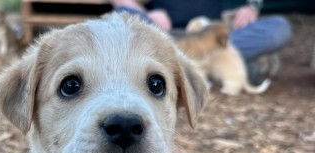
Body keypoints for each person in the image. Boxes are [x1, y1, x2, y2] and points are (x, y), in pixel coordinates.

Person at [111, 0, 292, 74]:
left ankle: (184, 66)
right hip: (168, 37)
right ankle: (219, 68)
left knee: (279, 27)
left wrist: (251, 6)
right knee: (124, 13)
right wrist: (147, 14)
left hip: (212, 42)